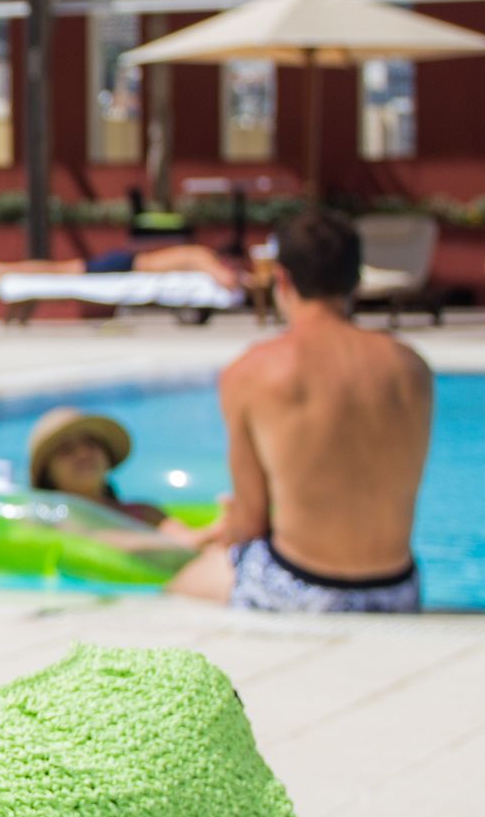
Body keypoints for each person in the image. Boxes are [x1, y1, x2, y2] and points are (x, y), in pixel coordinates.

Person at [167, 209, 432, 613]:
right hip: (397, 590)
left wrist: (212, 534)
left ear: (282, 279)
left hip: (299, 585)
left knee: (177, 584)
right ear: (356, 278)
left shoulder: (252, 371)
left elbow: (250, 523)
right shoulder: (410, 367)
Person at [25, 406, 169, 526]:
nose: (83, 454)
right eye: (66, 450)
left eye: (91, 443)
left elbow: (187, 538)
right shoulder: (52, 526)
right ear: (48, 472)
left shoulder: (145, 513)